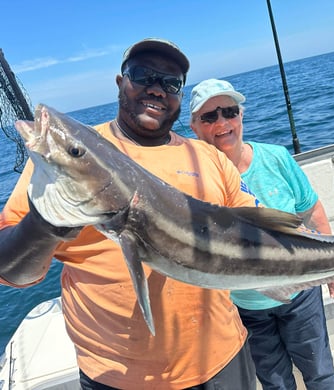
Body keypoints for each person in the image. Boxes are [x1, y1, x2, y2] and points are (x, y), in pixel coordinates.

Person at [0, 39, 260, 390]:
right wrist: (43, 223)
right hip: (118, 378)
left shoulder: (209, 157)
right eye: (143, 75)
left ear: (180, 96)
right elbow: (10, 271)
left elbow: (256, 228)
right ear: (121, 82)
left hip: (224, 359)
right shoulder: (67, 160)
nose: (156, 89)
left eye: (170, 83)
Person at [189, 78, 334, 389]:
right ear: (194, 127)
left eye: (229, 112)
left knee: (320, 374)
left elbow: (312, 212)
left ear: (241, 116)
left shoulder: (276, 158)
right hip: (244, 305)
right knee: (275, 384)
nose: (222, 123)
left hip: (301, 294)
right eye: (209, 117)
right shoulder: (194, 181)